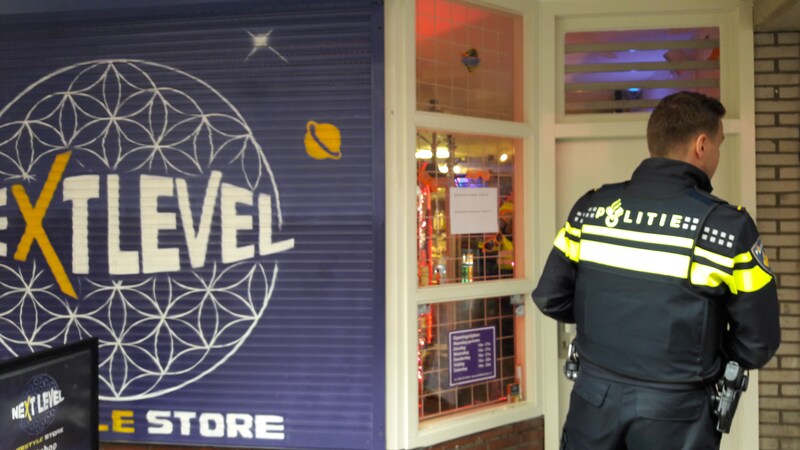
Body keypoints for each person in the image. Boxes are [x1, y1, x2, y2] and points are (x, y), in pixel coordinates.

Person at [532, 91, 781, 450]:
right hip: (676, 414)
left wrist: (609, 325)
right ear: (701, 145)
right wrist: (698, 349)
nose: (717, 153)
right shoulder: (727, 228)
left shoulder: (591, 210)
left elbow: (550, 298)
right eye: (719, 144)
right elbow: (757, 343)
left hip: (592, 403)